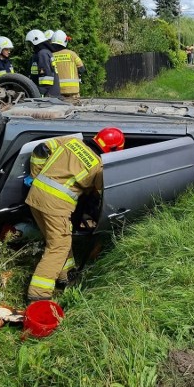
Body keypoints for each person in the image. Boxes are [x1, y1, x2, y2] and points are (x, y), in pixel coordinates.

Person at [25, 127, 125, 301]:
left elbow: (40, 149)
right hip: (56, 205)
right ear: (114, 149)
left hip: (35, 194)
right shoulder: (98, 166)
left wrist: (37, 175)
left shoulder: (71, 141)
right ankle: (38, 295)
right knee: (58, 247)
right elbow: (101, 191)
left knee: (60, 239)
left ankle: (66, 276)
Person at [50, 29, 85, 100]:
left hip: (57, 92)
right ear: (65, 41)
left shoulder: (51, 56)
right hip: (73, 91)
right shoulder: (72, 54)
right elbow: (82, 69)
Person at [26, 29, 61, 97]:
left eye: (30, 43)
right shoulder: (44, 52)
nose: (29, 46)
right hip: (50, 94)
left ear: (35, 41)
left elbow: (46, 78)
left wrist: (40, 92)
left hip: (48, 95)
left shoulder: (42, 54)